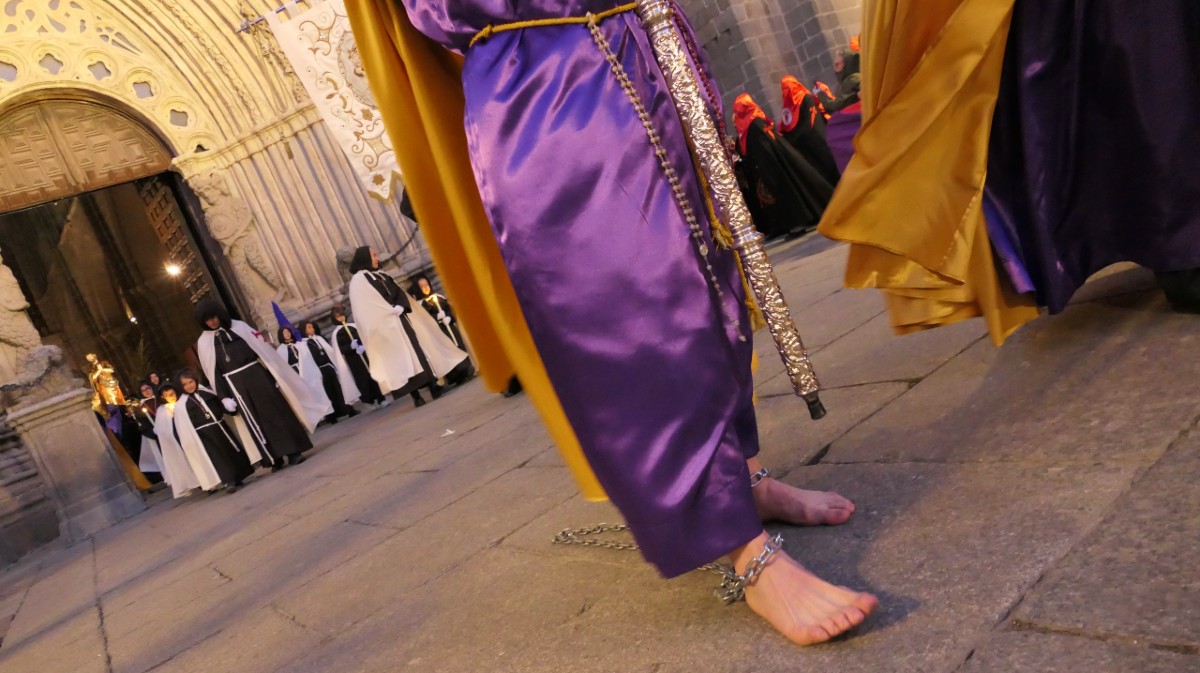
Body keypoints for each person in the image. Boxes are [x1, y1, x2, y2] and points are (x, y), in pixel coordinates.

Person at [346, 0, 875, 647]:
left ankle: (746, 478)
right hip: (547, 80)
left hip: (642, 44)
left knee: (713, 287)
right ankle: (743, 549)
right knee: (642, 313)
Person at [194, 298, 328, 471]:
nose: (211, 322)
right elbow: (213, 372)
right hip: (236, 386)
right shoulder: (204, 342)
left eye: (213, 317)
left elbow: (263, 352)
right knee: (257, 422)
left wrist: (275, 376)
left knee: (277, 413)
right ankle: (274, 458)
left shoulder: (240, 328)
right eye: (207, 320)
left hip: (259, 377)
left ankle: (293, 451)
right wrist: (224, 396)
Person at [347, 247, 466, 407]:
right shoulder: (358, 281)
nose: (377, 258)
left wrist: (401, 306)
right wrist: (387, 312)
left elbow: (399, 293)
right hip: (385, 327)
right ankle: (416, 396)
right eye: (374, 255)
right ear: (365, 258)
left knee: (418, 352)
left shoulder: (382, 275)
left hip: (401, 319)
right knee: (401, 361)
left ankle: (433, 387)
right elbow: (364, 308)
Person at [733, 93, 835, 239]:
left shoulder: (754, 123)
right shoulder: (754, 121)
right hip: (773, 163)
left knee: (789, 193)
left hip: (774, 165)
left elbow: (764, 147)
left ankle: (798, 225)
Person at [173, 370, 257, 494]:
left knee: (230, 451)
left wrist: (231, 409)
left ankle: (238, 476)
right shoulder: (181, 406)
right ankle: (228, 481)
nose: (189, 386)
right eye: (185, 384)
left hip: (220, 427)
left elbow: (220, 406)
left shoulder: (206, 393)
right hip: (204, 435)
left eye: (191, 382)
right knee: (218, 457)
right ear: (180, 387)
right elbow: (183, 427)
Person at [410, 274, 475, 385]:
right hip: (439, 333)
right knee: (449, 353)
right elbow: (424, 321)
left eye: (427, 285)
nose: (426, 288)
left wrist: (449, 316)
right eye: (422, 286)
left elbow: (451, 310)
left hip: (449, 328)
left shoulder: (438, 298)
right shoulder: (421, 305)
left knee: (459, 346)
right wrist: (436, 317)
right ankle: (457, 376)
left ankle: (467, 369)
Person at [778, 76, 840, 185]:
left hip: (818, 141)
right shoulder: (789, 109)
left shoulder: (806, 99)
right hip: (809, 146)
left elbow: (811, 123)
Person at [299, 320, 361, 423]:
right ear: (303, 330)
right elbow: (307, 362)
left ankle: (348, 409)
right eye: (309, 327)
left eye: (312, 327)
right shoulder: (303, 345)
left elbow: (330, 352)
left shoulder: (319, 339)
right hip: (319, 371)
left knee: (339, 389)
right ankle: (332, 416)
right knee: (327, 393)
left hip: (330, 367)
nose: (312, 329)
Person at [330, 306, 389, 408]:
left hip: (364, 355)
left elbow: (364, 336)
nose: (341, 318)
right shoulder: (337, 333)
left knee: (373, 375)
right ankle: (369, 400)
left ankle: (381, 398)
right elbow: (340, 349)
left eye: (342, 315)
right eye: (338, 317)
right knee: (363, 380)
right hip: (353, 360)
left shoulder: (353, 326)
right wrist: (350, 347)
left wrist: (363, 345)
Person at [154, 383, 204, 498]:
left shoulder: (182, 403)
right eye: (167, 395)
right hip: (176, 440)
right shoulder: (162, 410)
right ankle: (196, 482)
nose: (171, 397)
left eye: (172, 394)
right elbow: (161, 429)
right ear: (163, 397)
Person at [815, 47, 861, 115]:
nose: (835, 69)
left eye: (837, 65)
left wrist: (820, 94)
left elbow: (836, 107)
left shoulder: (853, 79)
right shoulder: (855, 77)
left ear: (847, 64)